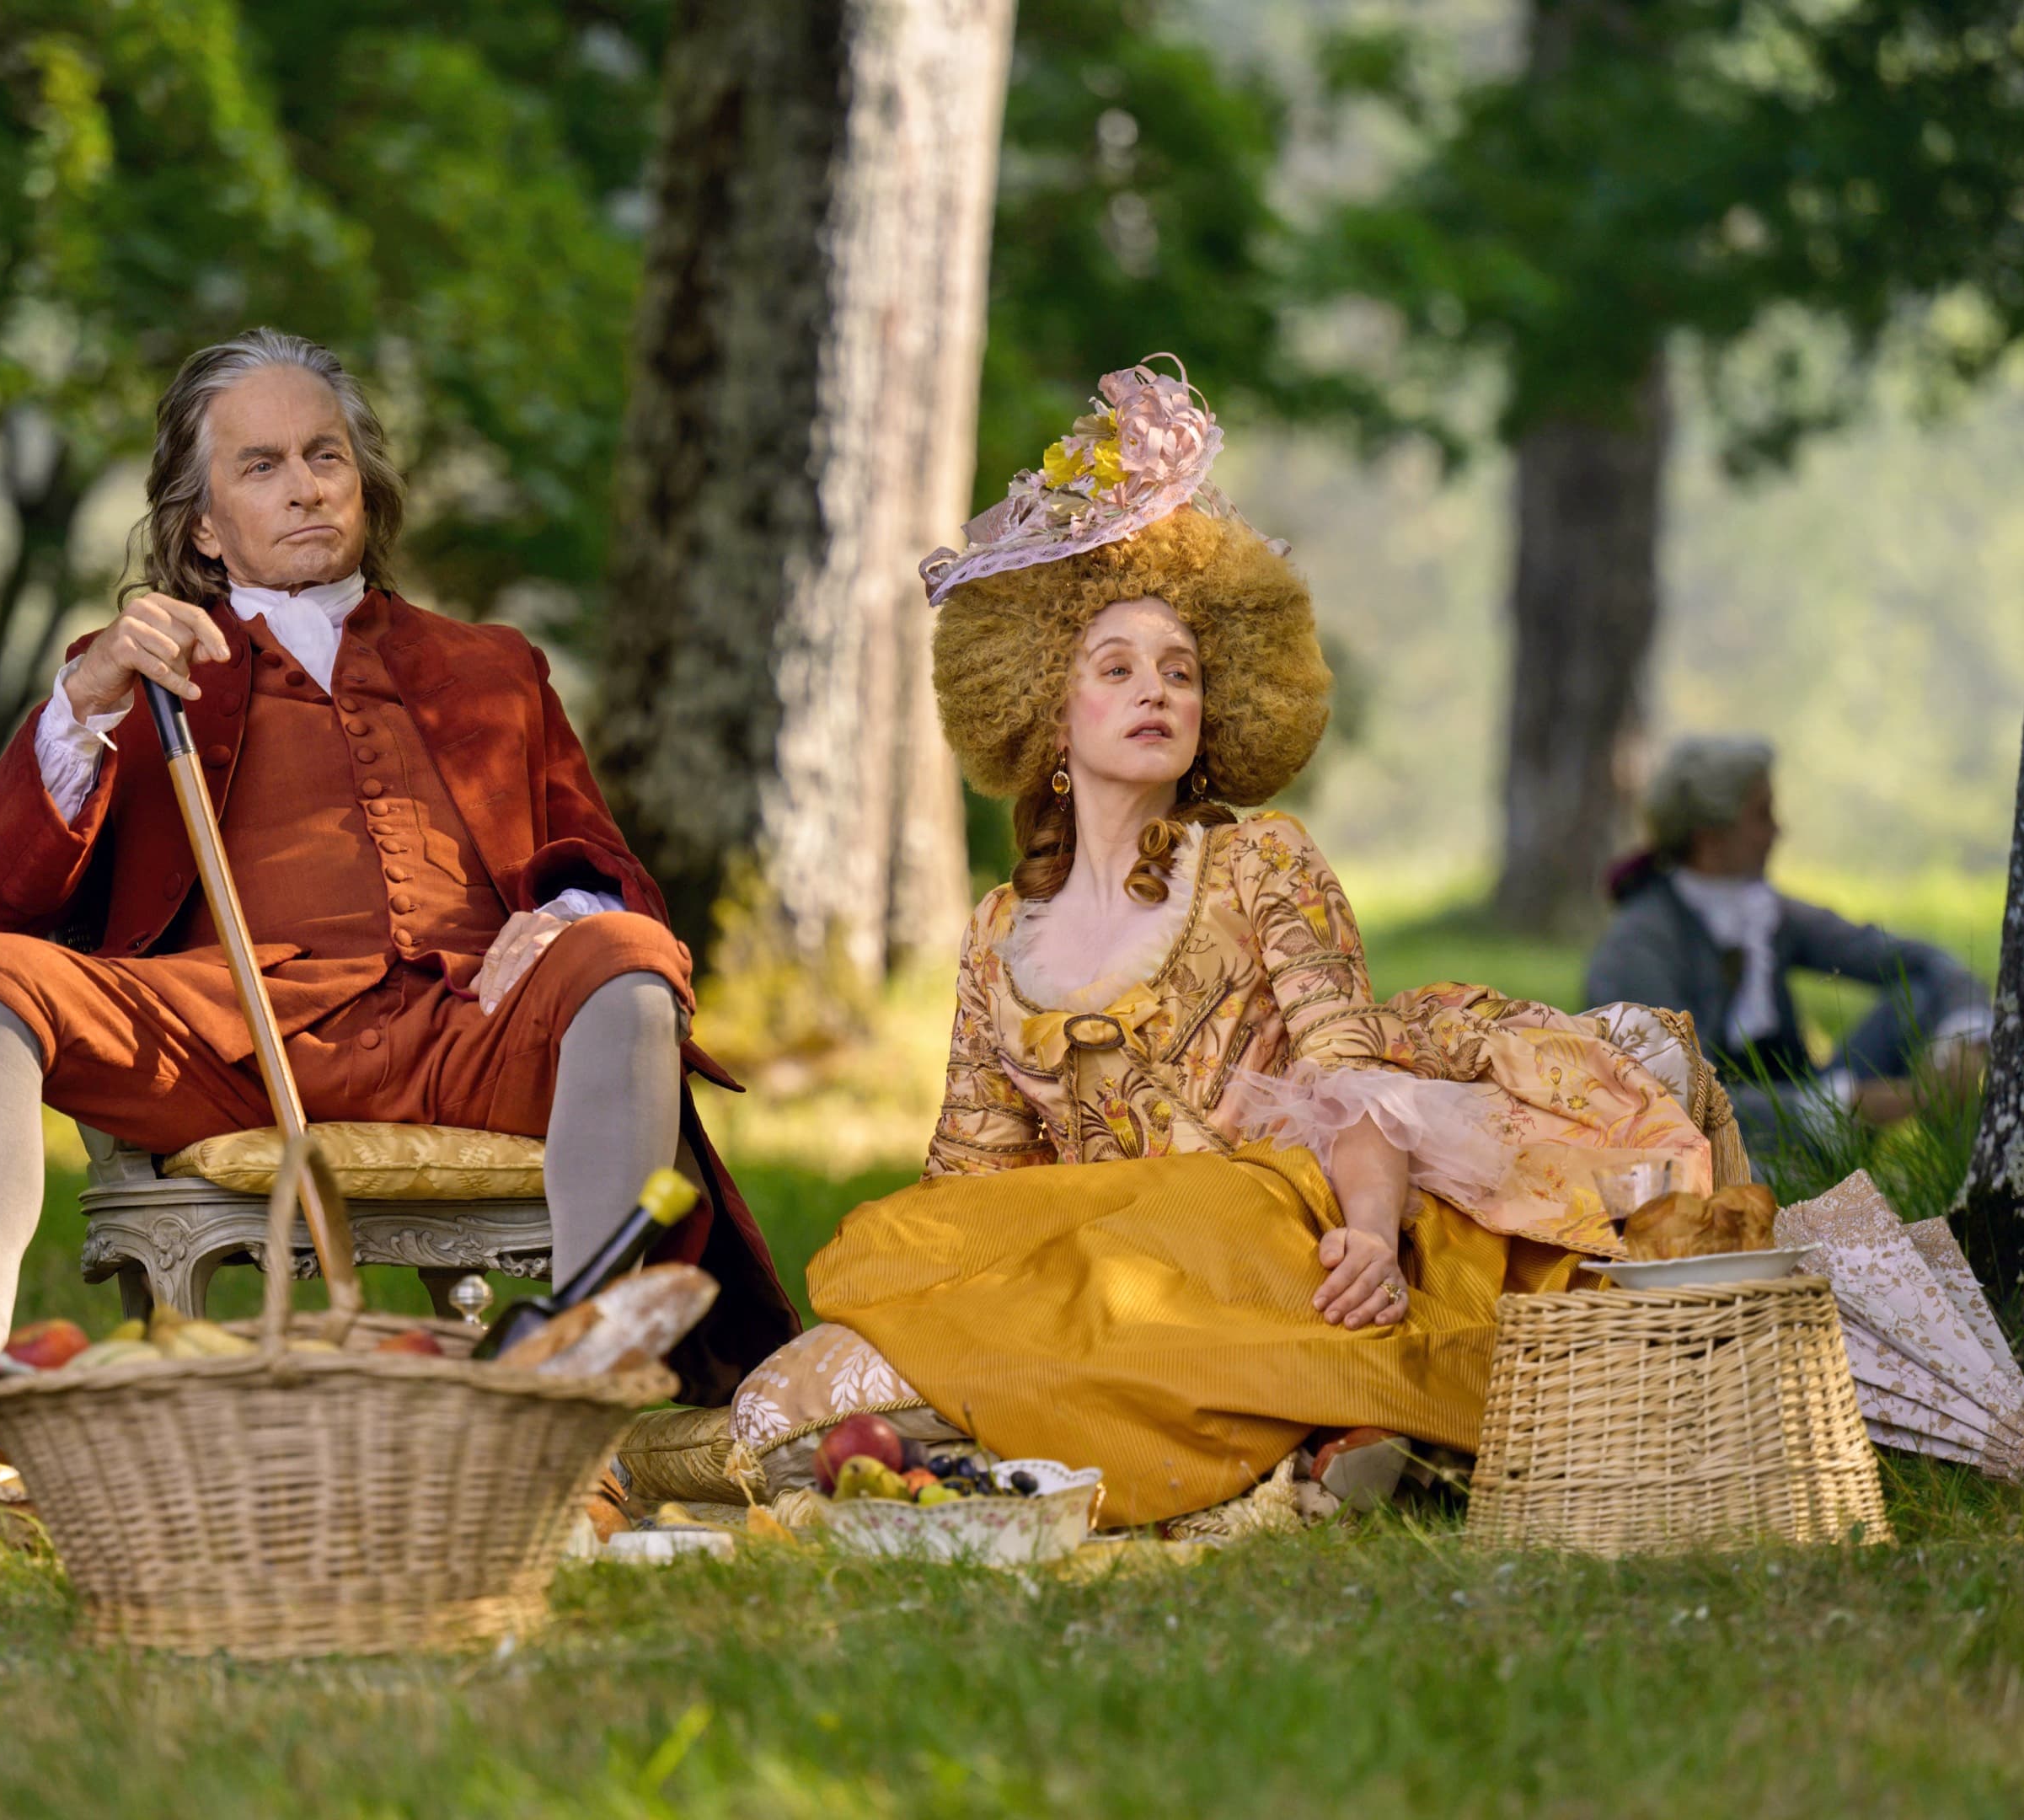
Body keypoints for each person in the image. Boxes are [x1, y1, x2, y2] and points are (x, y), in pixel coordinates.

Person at [728, 361, 1714, 1529]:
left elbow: (1356, 1083)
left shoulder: (1260, 862)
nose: (1157, 691)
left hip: (1265, 1223)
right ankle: (1250, 1443)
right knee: (881, 1283)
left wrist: (1368, 1233)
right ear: (1048, 710)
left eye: (1182, 672)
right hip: (1109, 1253)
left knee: (1187, 1239)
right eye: (1117, 669)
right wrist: (961, 1286)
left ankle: (1286, 1435)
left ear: (1211, 713)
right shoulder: (997, 931)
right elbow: (976, 1176)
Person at [0, 330, 795, 1520]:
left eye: (326, 456)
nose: (307, 486)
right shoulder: (138, 671)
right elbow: (0, 894)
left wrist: (568, 917)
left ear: (363, 484)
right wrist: (85, 697)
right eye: (261, 466)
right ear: (202, 528)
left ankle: (572, 1418)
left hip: (466, 1029)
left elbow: (605, 865)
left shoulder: (493, 668)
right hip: (226, 1035)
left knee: (626, 961)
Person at [1583, 737, 1989, 1159]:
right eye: (1761, 816)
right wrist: (1855, 1104)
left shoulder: (1765, 915)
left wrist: (1963, 1039)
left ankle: (1970, 1170)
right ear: (1711, 839)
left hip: (1807, 1119)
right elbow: (1675, 1103)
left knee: (1918, 996)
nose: (1777, 832)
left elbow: (1919, 962)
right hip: (1706, 1157)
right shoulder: (1637, 948)